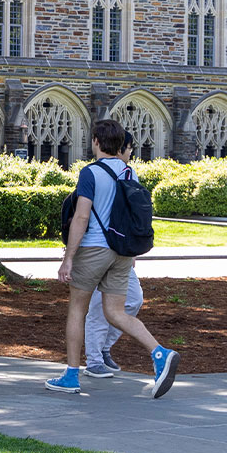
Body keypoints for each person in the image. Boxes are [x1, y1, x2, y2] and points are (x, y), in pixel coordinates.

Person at [49, 117, 179, 398]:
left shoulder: (90, 173)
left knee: (77, 310)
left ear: (95, 141)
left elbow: (81, 216)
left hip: (93, 249)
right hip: (122, 253)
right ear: (121, 144)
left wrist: (68, 257)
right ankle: (159, 353)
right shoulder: (129, 173)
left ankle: (71, 375)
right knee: (116, 312)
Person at [84, 131, 144, 380]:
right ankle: (94, 360)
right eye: (128, 148)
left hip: (122, 250)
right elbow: (82, 212)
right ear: (118, 147)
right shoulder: (92, 172)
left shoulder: (130, 174)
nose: (130, 153)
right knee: (99, 307)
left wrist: (133, 248)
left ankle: (105, 347)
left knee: (133, 299)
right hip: (98, 248)